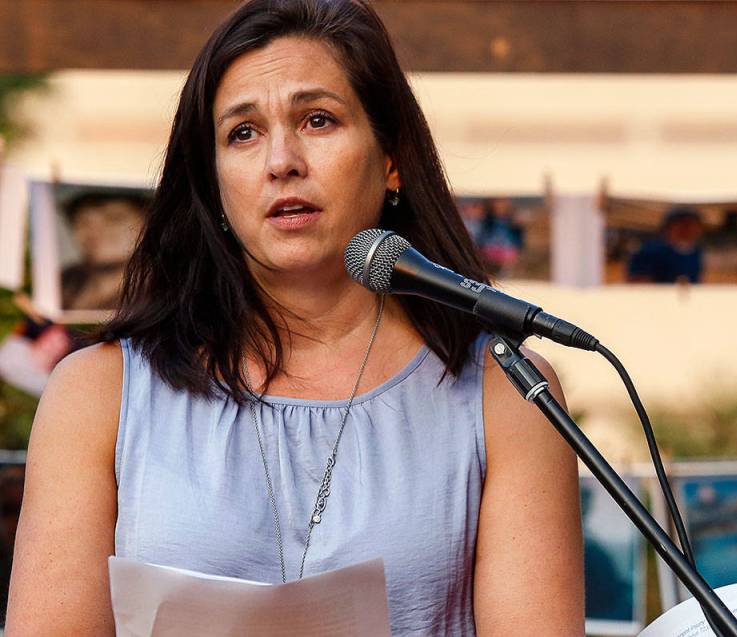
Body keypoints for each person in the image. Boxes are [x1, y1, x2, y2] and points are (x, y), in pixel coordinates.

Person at [6, 1, 584, 634]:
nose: (281, 160)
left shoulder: (506, 392)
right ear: (214, 183)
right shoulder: (98, 391)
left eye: (317, 120)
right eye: (243, 133)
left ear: (391, 159)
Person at [60, 192, 148, 311]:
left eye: (114, 218)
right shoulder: (64, 281)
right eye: (83, 221)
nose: (95, 232)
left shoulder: (164, 295)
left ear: (147, 223)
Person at [626, 206, 704, 284]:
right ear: (669, 227)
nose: (689, 230)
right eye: (684, 225)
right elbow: (638, 284)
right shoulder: (650, 252)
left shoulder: (695, 252)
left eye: (693, 225)